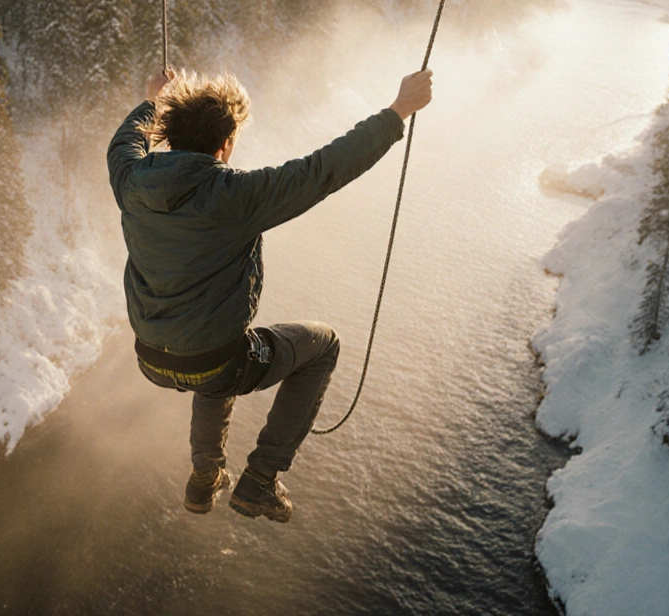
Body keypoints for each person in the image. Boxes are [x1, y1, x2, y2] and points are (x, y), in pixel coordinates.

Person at [107, 67, 434, 522]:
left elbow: (125, 140)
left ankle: (205, 478)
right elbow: (323, 170)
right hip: (215, 360)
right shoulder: (237, 195)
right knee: (322, 346)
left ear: (169, 133)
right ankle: (261, 478)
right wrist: (399, 111)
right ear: (225, 145)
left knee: (215, 353)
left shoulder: (129, 180)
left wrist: (153, 101)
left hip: (152, 360)